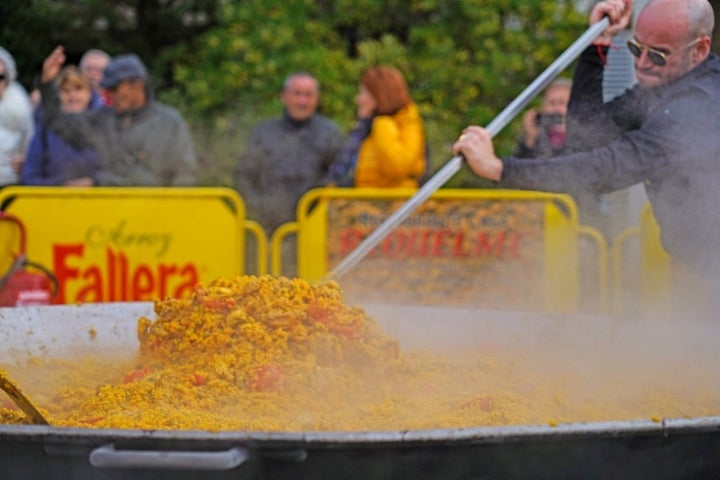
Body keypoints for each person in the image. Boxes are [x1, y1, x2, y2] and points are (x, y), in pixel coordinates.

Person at [453, 0, 720, 303]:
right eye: (636, 48)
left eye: (658, 55)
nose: (642, 64)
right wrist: (598, 45)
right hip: (697, 267)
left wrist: (501, 169)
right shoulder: (662, 88)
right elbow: (587, 133)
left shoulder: (703, 105)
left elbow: (609, 168)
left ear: (699, 50)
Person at [38, 46, 198, 186]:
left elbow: (186, 175)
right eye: (107, 88)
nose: (109, 94)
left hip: (156, 214)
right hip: (108, 216)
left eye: (115, 88)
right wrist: (47, 84)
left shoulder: (169, 123)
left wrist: (102, 182)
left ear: (138, 85)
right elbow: (59, 123)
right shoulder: (101, 120)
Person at [234, 71, 343, 235]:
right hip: (267, 230)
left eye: (308, 95)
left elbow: (341, 179)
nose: (302, 101)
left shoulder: (331, 134)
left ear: (317, 99)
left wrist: (321, 212)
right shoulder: (263, 133)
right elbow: (243, 176)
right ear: (284, 96)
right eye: (297, 94)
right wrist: (258, 208)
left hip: (315, 230)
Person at [327, 65, 427, 188]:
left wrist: (382, 125)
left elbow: (397, 167)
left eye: (363, 93)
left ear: (379, 95)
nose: (358, 99)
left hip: (392, 204)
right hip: (363, 203)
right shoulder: (363, 130)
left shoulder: (398, 125)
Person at [21, 66, 99, 186]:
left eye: (78, 89)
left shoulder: (105, 125)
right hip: (54, 200)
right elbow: (30, 175)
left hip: (100, 198)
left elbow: (117, 171)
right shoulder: (45, 127)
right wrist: (62, 186)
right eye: (65, 91)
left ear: (89, 93)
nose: (72, 96)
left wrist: (93, 182)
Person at [0, 47, 34, 188]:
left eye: (0, 77)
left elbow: (31, 145)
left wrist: (28, 162)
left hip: (11, 188)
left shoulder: (21, 107)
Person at [514, 78, 572, 159]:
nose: (556, 108)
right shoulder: (536, 135)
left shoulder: (583, 134)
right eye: (551, 103)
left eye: (562, 103)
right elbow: (520, 167)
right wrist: (531, 139)